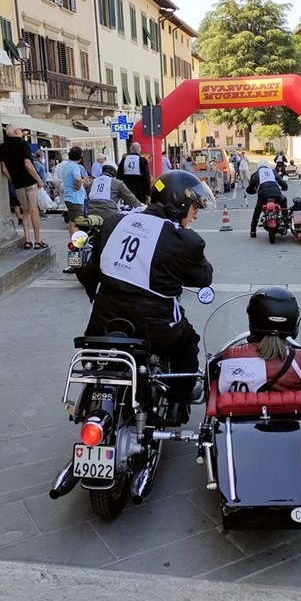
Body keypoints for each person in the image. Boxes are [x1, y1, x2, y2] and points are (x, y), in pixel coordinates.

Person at [82, 170, 215, 426]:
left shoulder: (114, 222)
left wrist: (98, 300)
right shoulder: (184, 240)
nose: (196, 213)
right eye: (194, 206)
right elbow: (203, 278)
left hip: (104, 322)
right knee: (187, 342)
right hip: (155, 329)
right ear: (178, 202)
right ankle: (178, 404)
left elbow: (90, 272)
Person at [218, 287, 301, 399]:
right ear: (294, 323)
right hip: (293, 414)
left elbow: (220, 390)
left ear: (252, 320)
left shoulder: (232, 356)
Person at [0, 124, 47, 250]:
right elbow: (28, 164)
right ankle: (37, 240)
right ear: (16, 131)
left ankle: (27, 240)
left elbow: (4, 169)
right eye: (20, 130)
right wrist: (38, 179)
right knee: (34, 210)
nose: (22, 132)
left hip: (18, 183)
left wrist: (12, 180)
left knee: (25, 211)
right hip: (29, 182)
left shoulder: (3, 147)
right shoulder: (23, 144)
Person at [246, 159, 289, 238]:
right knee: (284, 200)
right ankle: (285, 218)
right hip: (276, 194)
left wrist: (255, 190)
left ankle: (253, 230)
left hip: (263, 196)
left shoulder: (255, 174)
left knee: (257, 211)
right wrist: (285, 187)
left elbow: (249, 189)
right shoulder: (273, 172)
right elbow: (282, 182)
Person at [63, 146, 86, 235]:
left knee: (72, 221)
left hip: (68, 197)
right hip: (75, 198)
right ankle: (75, 243)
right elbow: (78, 178)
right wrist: (79, 185)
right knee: (76, 222)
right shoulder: (75, 167)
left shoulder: (67, 165)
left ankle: (73, 241)